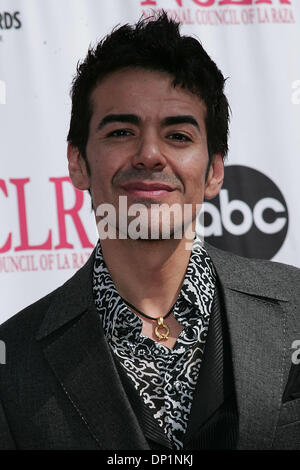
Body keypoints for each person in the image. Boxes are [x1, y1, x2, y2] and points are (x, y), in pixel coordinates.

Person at [0, 12, 299, 451]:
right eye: (121, 131)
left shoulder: (294, 309)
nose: (149, 155)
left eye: (178, 136)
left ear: (215, 171)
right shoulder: (13, 362)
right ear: (78, 162)